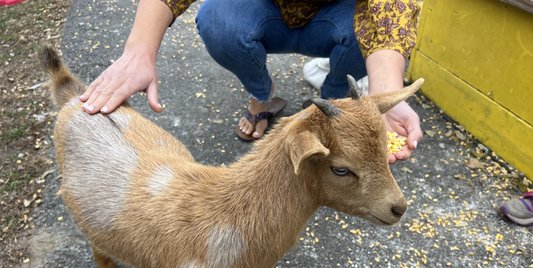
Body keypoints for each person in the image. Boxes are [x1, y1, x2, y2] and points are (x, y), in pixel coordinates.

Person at [79, 0, 422, 162]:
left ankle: (334, 102)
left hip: (337, 15)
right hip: (263, 9)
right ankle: (262, 97)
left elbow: (391, 10)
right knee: (217, 21)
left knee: (369, 34)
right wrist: (139, 49)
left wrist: (387, 95)